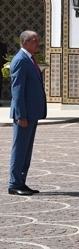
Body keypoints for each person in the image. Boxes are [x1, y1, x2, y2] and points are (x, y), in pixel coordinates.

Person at [8, 30, 46, 195]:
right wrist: (20, 115)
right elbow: (17, 91)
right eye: (34, 40)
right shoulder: (20, 60)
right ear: (25, 43)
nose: (37, 43)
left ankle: (21, 181)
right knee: (20, 148)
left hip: (32, 113)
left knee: (26, 150)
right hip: (24, 115)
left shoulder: (29, 59)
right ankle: (14, 184)